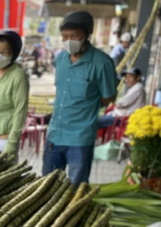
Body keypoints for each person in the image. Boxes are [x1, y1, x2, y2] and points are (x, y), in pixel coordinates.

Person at [43, 11, 117, 185]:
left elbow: (109, 95)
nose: (68, 40)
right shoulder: (61, 59)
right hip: (55, 134)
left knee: (77, 188)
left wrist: (88, 106)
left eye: (74, 36)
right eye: (64, 36)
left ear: (87, 35)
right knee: (47, 186)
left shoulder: (102, 62)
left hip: (80, 137)